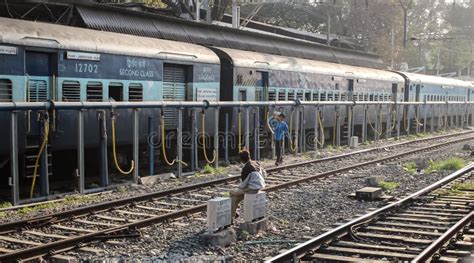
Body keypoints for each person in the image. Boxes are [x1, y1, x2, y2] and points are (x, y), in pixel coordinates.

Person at [230, 150, 265, 221]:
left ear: (242, 160)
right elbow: (264, 174)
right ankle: (235, 210)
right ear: (249, 156)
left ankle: (232, 216)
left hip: (251, 189)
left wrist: (237, 187)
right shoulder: (256, 163)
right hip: (260, 186)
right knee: (237, 195)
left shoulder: (246, 168)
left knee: (232, 194)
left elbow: (243, 185)